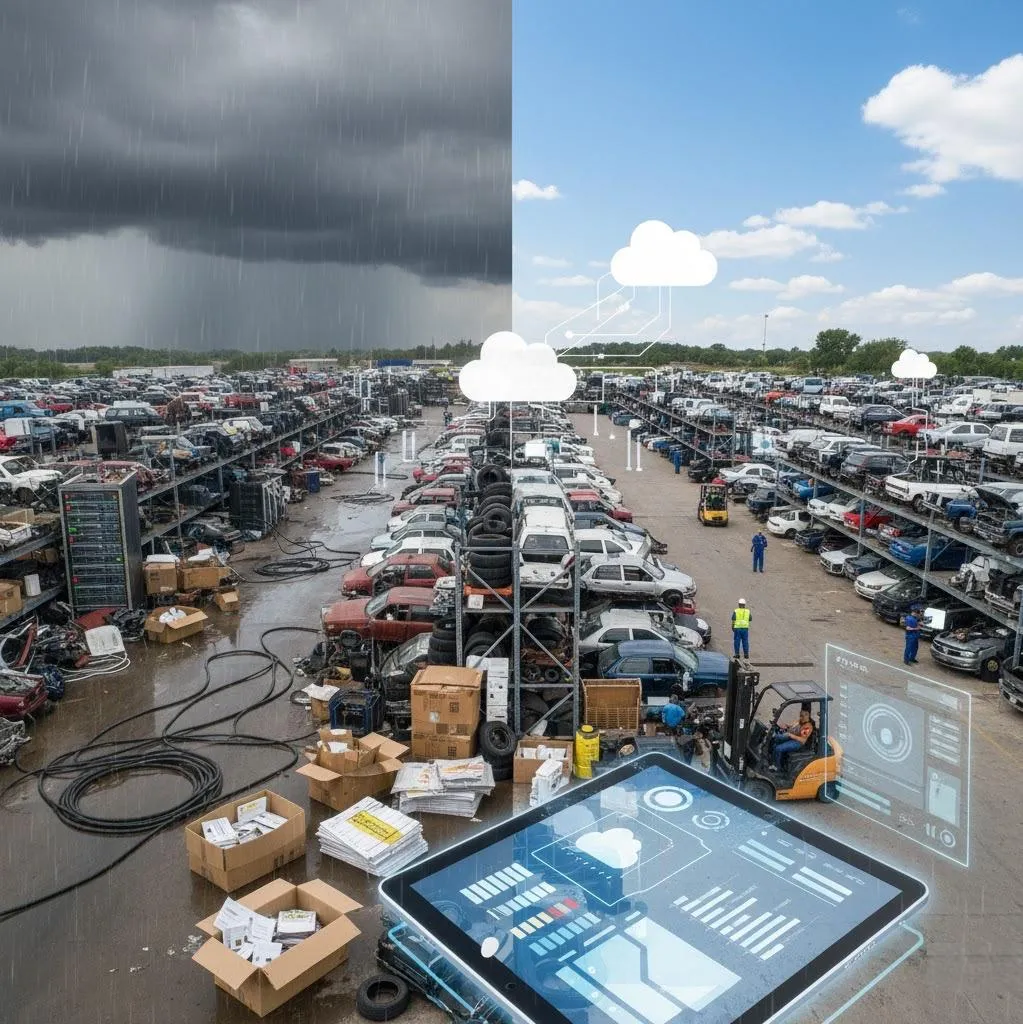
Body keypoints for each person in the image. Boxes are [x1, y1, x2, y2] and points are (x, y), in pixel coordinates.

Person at [769, 705, 814, 772]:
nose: (800, 717)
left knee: (778, 748)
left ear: (807, 716)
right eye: (800, 715)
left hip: (798, 743)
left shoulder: (807, 727)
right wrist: (787, 726)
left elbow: (803, 740)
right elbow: (793, 727)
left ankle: (776, 767)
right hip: (793, 738)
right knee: (775, 743)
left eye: (802, 716)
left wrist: (791, 735)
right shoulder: (800, 721)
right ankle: (772, 760)